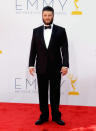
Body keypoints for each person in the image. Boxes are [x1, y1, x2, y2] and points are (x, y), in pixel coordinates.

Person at [29, 6, 69, 125]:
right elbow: (33, 49)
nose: (47, 17)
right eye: (45, 15)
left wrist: (65, 65)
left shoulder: (61, 30)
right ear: (42, 16)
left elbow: (65, 49)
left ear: (53, 16)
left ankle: (56, 116)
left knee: (55, 94)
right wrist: (31, 64)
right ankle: (44, 116)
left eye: (49, 15)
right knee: (42, 93)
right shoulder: (36, 31)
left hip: (56, 67)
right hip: (41, 67)